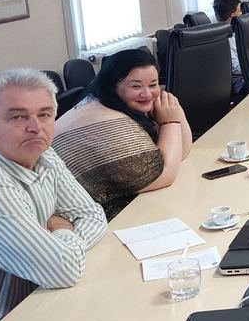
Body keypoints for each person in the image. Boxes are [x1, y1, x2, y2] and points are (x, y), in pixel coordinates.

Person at [0, 69, 107, 321]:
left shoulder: (43, 154)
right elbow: (63, 270)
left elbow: (93, 215)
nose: (35, 128)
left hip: (48, 298)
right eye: (18, 117)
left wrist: (59, 245)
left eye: (44, 114)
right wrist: (62, 229)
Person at [53, 50, 192, 220]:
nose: (147, 94)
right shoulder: (107, 122)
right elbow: (163, 174)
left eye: (153, 85)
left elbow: (180, 153)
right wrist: (170, 122)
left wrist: (174, 111)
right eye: (136, 86)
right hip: (81, 220)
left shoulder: (103, 102)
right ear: (112, 85)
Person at [213, 0, 246, 96]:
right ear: (232, 14)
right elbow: (236, 68)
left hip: (243, 77)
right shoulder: (223, 38)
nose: (241, 13)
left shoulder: (231, 32)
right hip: (240, 83)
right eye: (239, 11)